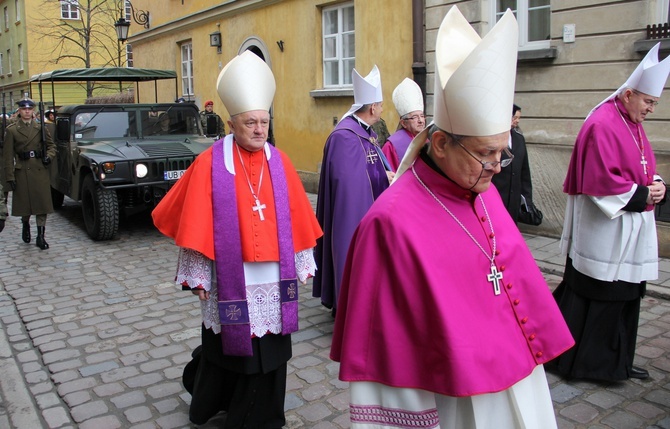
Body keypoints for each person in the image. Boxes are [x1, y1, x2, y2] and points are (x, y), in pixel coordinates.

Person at [330, 7, 574, 428]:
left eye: (503, 152)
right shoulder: (387, 225)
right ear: (439, 143)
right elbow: (388, 355)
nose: (497, 166)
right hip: (456, 401)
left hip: (519, 378)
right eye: (485, 153)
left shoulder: (481, 188)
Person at [152, 50, 322, 428]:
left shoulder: (279, 162)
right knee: (230, 349)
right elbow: (195, 221)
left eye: (264, 122)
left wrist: (301, 263)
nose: (260, 129)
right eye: (251, 123)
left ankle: (263, 416)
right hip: (232, 278)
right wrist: (197, 274)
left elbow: (296, 217)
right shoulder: (210, 164)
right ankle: (220, 401)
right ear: (231, 123)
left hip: (274, 280)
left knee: (272, 350)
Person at [553, 42, 670, 382]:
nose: (650, 109)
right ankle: (586, 364)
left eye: (654, 104)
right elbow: (601, 181)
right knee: (600, 297)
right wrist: (646, 193)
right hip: (605, 234)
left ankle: (617, 361)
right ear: (630, 94)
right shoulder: (603, 123)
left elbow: (642, 164)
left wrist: (657, 183)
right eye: (648, 102)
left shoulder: (631, 121)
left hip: (628, 234)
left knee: (626, 297)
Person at [313, 64, 392, 314]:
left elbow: (369, 167)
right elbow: (350, 187)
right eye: (380, 104)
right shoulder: (345, 136)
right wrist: (382, 177)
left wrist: (385, 174)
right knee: (352, 253)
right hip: (353, 216)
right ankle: (350, 308)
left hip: (369, 209)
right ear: (371, 107)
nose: (381, 108)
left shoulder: (364, 132)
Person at [3, 98, 56, 250]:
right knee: (25, 205)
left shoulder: (40, 128)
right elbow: (8, 157)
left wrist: (49, 156)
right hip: (22, 169)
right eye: (24, 109)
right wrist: (9, 177)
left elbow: (52, 146)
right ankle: (25, 223)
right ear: (19, 111)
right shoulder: (12, 130)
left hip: (39, 168)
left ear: (33, 111)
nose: (27, 111)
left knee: (42, 204)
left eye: (29, 109)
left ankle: (41, 236)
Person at [491, 104, 535, 222]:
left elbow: (524, 171)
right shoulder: (492, 138)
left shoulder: (519, 139)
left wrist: (527, 199)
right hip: (496, 197)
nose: (517, 121)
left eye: (518, 118)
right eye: (514, 118)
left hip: (514, 200)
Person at [382, 77, 425, 171]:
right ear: (403, 123)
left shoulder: (427, 142)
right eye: (415, 117)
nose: (421, 120)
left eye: (422, 116)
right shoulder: (391, 146)